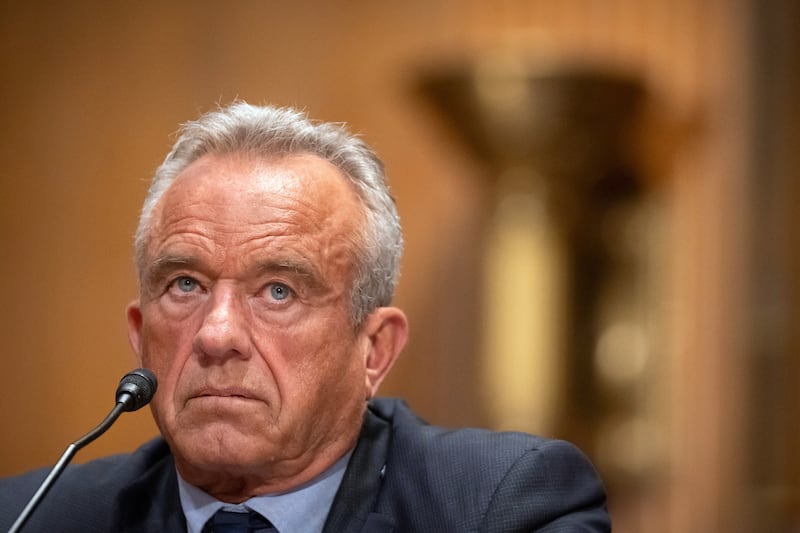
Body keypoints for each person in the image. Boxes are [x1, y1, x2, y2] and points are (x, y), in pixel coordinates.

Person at [0, 102, 610, 532]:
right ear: (140, 336)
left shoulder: (504, 508)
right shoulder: (30, 516)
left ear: (373, 350)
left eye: (279, 292)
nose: (216, 335)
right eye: (185, 285)